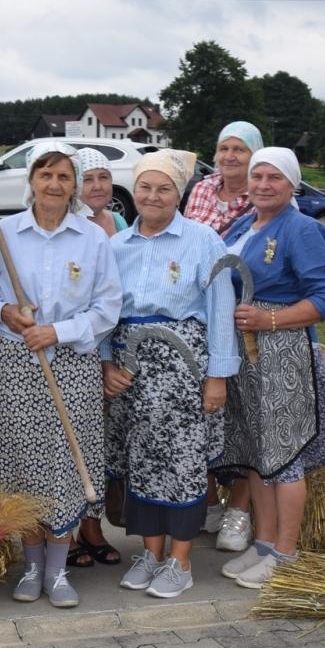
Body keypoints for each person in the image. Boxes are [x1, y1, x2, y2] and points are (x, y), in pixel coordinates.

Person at [0, 142, 121, 608]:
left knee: (66, 464)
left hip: (71, 366)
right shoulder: (4, 233)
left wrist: (57, 331)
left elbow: (108, 306)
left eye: (64, 177)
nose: (54, 184)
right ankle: (31, 566)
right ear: (31, 181)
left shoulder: (92, 238)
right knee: (21, 460)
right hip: (14, 365)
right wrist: (5, 312)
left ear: (75, 186)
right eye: (45, 175)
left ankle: (57, 571)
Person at [217, 146, 325, 590]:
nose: (263, 185)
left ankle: (286, 553)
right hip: (247, 352)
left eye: (274, 177)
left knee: (285, 454)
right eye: (257, 176)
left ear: (293, 184)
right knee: (259, 454)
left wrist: (270, 320)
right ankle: (263, 544)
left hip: (284, 352)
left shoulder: (302, 229)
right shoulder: (245, 223)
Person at [102, 149, 238, 599]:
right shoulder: (117, 246)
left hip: (183, 368)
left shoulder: (202, 240)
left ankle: (180, 561)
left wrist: (217, 376)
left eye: (164, 189)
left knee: (181, 463)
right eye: (145, 187)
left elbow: (221, 309)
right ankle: (151, 553)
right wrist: (106, 364)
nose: (153, 196)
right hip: (131, 369)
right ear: (134, 190)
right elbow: (104, 312)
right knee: (140, 461)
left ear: (178, 195)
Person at [182, 120, 265, 553]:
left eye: (240, 149)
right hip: (203, 315)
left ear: (255, 155)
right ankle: (211, 500)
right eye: (224, 148)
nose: (230, 156)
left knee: (247, 415)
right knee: (208, 411)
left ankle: (240, 510)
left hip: (245, 318)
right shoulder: (201, 189)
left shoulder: (264, 193)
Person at [66, 146, 125, 569]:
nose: (98, 186)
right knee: (67, 441)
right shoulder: (71, 226)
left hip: (117, 346)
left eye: (104, 177)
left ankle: (92, 525)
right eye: (88, 178)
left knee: (97, 444)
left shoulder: (118, 223)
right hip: (83, 347)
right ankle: (64, 530)